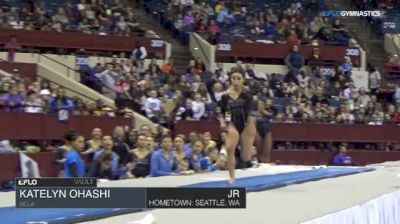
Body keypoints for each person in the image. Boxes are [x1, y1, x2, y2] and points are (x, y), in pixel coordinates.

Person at [218, 68, 258, 184]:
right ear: (230, 79)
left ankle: (249, 152)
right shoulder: (225, 96)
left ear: (243, 80)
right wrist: (223, 125)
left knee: (245, 157)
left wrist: (251, 132)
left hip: (246, 124)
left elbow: (251, 115)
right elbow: (222, 112)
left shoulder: (247, 94)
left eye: (238, 78)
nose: (235, 81)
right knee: (230, 149)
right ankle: (232, 176)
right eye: (233, 78)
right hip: (232, 123)